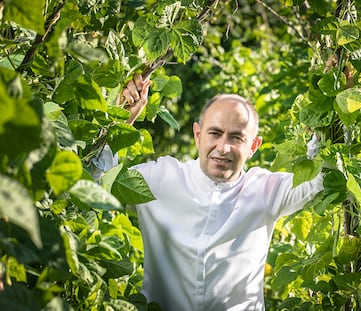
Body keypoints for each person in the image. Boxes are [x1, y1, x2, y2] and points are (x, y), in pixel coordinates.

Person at [95, 74, 324, 311]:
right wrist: (122, 118)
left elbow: (320, 182)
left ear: (253, 146)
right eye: (214, 133)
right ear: (197, 134)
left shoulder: (266, 190)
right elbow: (96, 183)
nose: (223, 148)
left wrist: (328, 101)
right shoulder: (160, 178)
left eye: (236, 137)